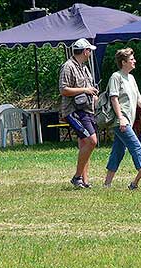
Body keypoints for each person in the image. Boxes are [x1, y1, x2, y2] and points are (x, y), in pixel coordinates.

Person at [104, 48, 141, 187]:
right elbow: (114, 98)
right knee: (136, 147)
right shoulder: (116, 77)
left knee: (118, 151)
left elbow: (138, 98)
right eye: (131, 59)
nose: (134, 61)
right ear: (123, 62)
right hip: (120, 121)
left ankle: (107, 184)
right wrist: (121, 117)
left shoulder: (131, 78)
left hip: (128, 120)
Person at [59, 38, 99, 188]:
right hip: (73, 110)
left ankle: (83, 181)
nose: (90, 54)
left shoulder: (84, 67)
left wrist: (93, 93)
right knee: (92, 141)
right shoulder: (68, 66)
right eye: (89, 51)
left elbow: (88, 87)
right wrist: (85, 90)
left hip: (86, 109)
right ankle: (77, 177)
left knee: (85, 144)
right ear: (84, 51)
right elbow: (63, 89)